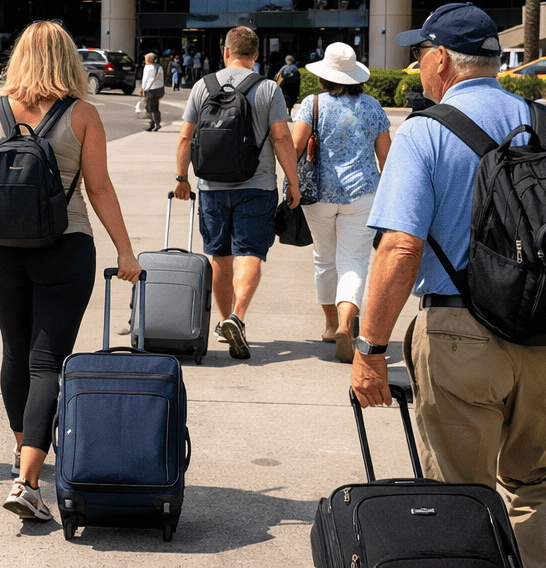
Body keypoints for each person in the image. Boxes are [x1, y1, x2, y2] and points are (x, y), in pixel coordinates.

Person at [351, 3, 546, 568]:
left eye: (420, 53)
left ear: (441, 58)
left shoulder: (423, 132)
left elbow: (400, 247)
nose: (419, 64)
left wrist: (370, 350)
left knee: (461, 493)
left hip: (458, 335)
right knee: (540, 478)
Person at [0, 21, 142, 523]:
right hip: (65, 247)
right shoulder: (82, 114)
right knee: (47, 362)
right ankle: (28, 479)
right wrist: (126, 252)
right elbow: (99, 187)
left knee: (14, 354)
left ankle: (26, 453)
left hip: (2, 251)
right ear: (68, 59)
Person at [173, 25, 301, 359]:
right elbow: (283, 138)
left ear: (225, 51)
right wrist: (293, 182)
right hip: (256, 186)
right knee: (251, 252)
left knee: (220, 255)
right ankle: (237, 317)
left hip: (212, 187)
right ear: (256, 54)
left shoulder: (203, 85)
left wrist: (181, 178)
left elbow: (186, 137)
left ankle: (222, 320)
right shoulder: (268, 89)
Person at [290, 43, 391, 362]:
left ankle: (330, 324)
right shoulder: (373, 106)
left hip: (317, 194)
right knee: (354, 261)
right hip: (363, 194)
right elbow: (386, 156)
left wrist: (289, 186)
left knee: (324, 258)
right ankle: (347, 325)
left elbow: (293, 149)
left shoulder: (312, 104)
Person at [141, 52, 165, 131]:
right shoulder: (159, 67)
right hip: (159, 90)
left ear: (148, 59)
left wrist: (142, 88)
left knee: (149, 107)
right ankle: (157, 123)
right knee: (155, 107)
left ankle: (152, 123)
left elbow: (145, 79)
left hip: (150, 90)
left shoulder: (147, 68)